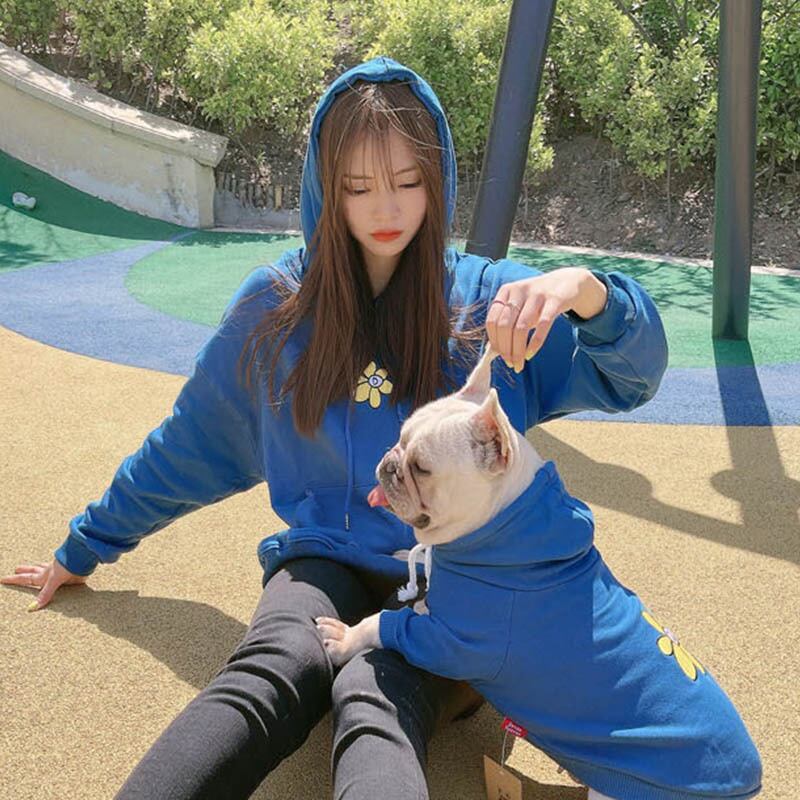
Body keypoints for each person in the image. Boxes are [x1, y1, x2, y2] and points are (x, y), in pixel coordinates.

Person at [0, 56, 759, 800]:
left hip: (462, 585)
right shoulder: (275, 307)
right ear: (325, 187)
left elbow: (633, 376)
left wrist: (591, 293)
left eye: (407, 182)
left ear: (438, 178)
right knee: (273, 665)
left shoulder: (490, 304)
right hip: (323, 563)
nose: (385, 209)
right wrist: (85, 545)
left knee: (372, 692)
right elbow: (188, 443)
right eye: (358, 187)